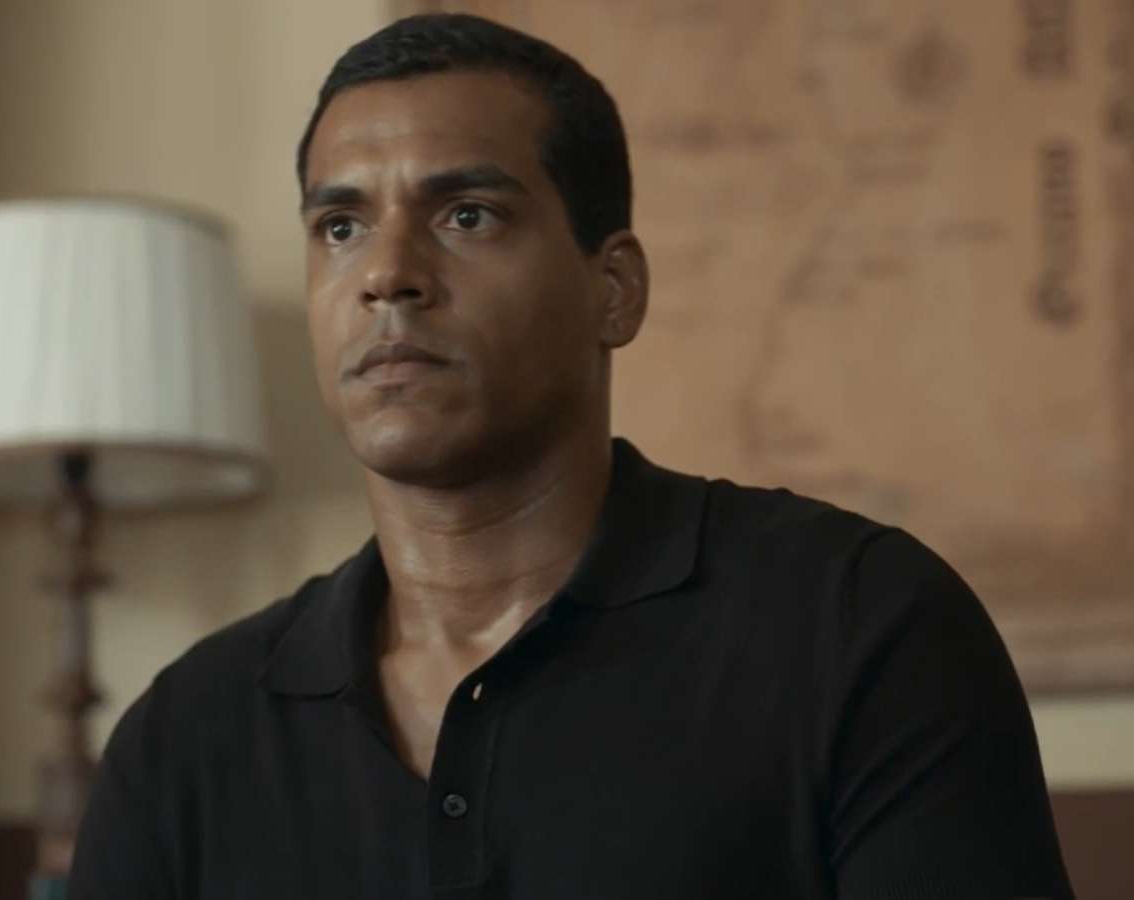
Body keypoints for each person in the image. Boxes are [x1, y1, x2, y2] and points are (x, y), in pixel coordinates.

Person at [68, 13, 1075, 900]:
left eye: (467, 215)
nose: (387, 273)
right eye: (341, 226)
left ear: (614, 290)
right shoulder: (184, 735)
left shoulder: (862, 628)